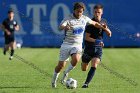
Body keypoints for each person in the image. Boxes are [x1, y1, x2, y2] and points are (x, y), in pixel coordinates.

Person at [51, 2, 111, 88]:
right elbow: (61, 26)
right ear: (74, 10)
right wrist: (65, 27)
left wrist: (103, 27)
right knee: (60, 66)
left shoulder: (84, 18)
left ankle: (66, 73)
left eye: (81, 11)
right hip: (66, 44)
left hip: (77, 45)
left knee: (75, 60)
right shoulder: (68, 18)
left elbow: (95, 24)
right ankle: (54, 80)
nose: (79, 13)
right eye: (78, 11)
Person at [81, 4, 111, 88]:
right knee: (84, 69)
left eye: (99, 12)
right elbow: (86, 38)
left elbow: (109, 34)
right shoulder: (90, 23)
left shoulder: (103, 22)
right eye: (95, 12)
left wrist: (105, 28)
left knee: (94, 64)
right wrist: (97, 40)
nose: (97, 13)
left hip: (98, 48)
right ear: (93, 12)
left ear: (102, 13)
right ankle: (83, 63)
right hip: (88, 48)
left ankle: (86, 83)